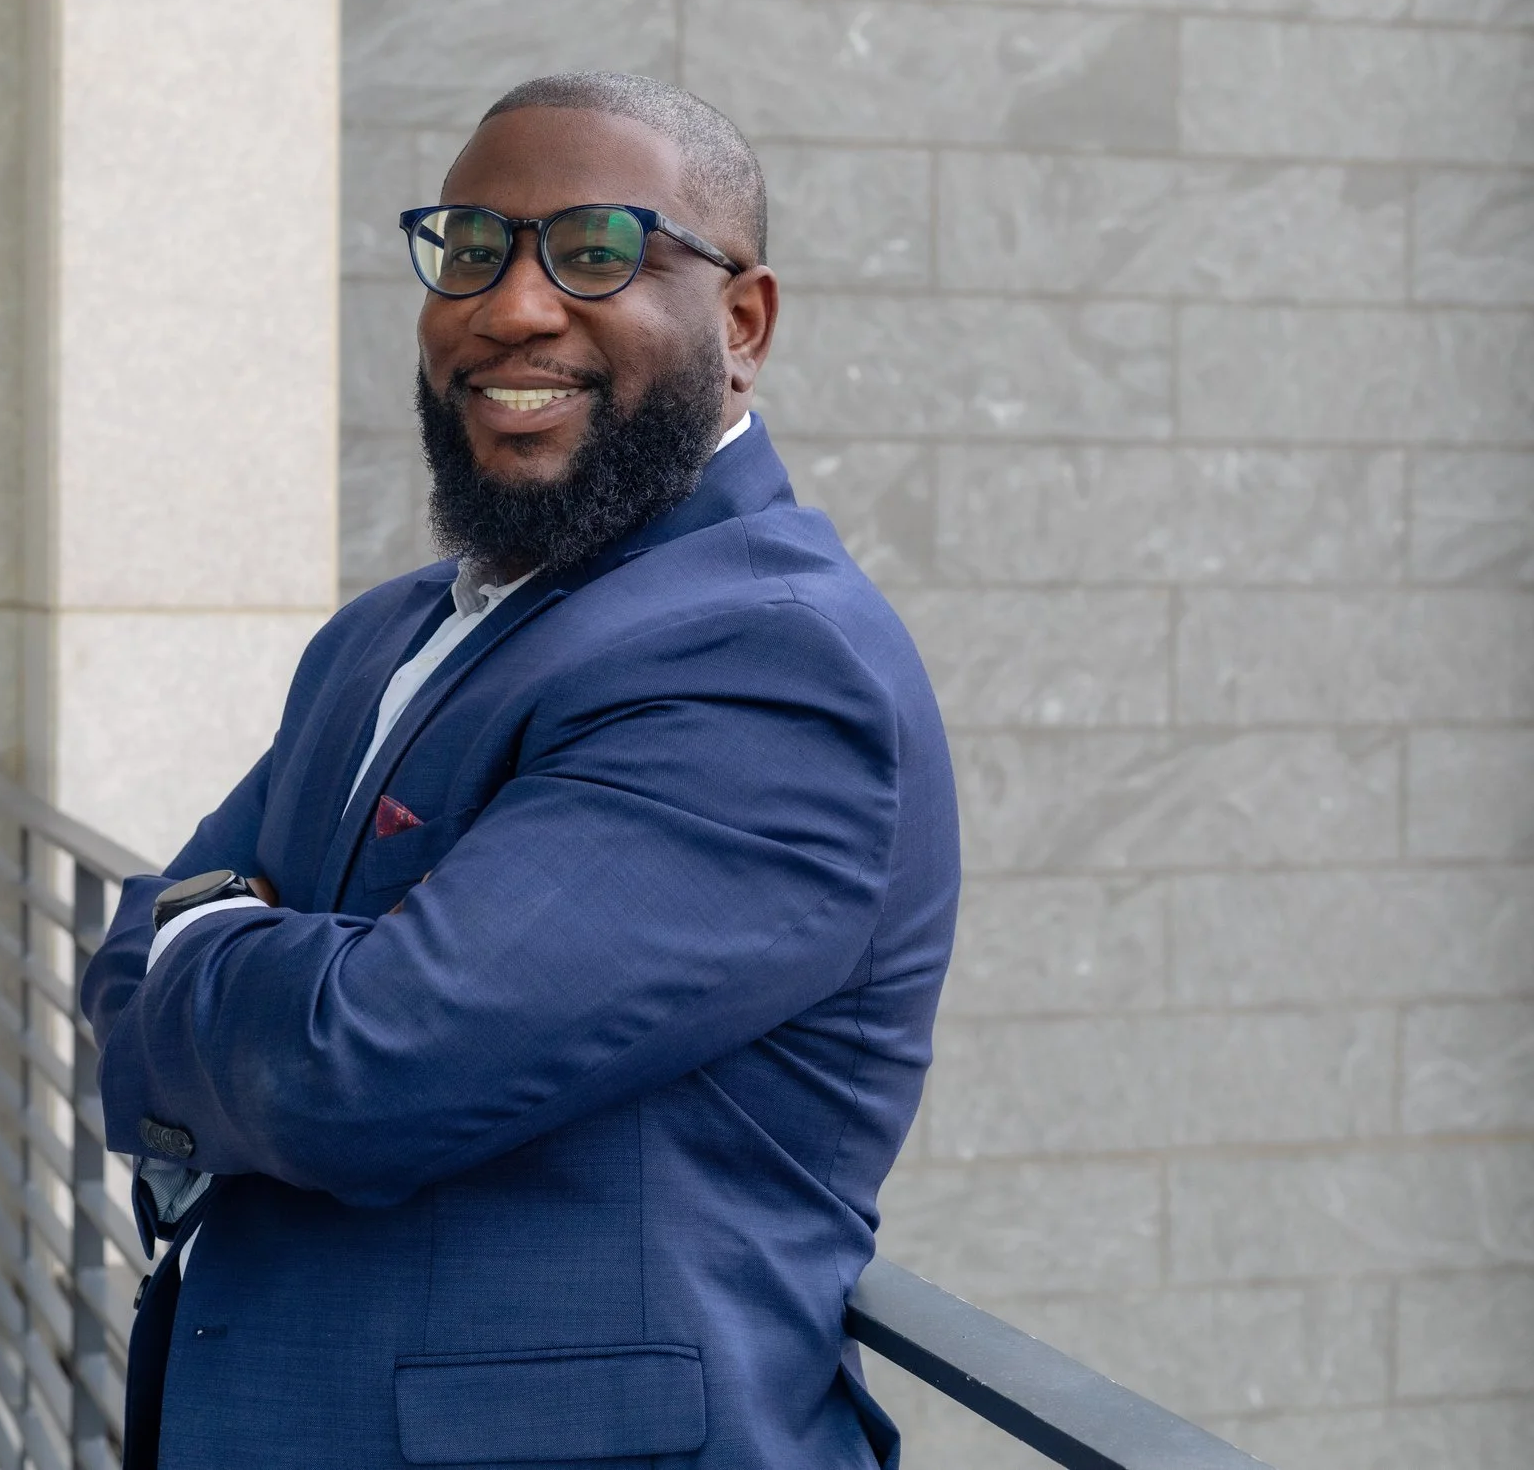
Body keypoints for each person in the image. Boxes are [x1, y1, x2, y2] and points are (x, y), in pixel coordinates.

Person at [79, 72, 958, 1469]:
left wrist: (216, 954)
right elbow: (130, 944)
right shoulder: (382, 637)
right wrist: (212, 953)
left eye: (598, 250)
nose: (514, 306)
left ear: (742, 323)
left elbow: (353, 1066)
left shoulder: (771, 658)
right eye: (473, 249)